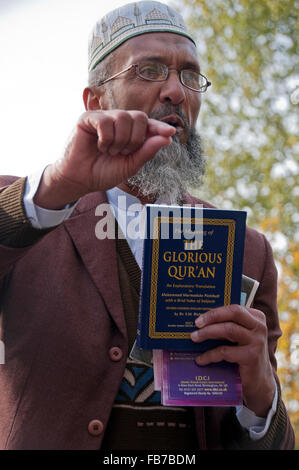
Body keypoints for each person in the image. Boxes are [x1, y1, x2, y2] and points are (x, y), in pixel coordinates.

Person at [0, 1, 294, 450]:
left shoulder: (246, 249)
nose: (176, 91)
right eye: (150, 70)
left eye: (190, 76)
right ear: (96, 101)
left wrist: (261, 396)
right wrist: (59, 185)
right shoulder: (32, 211)